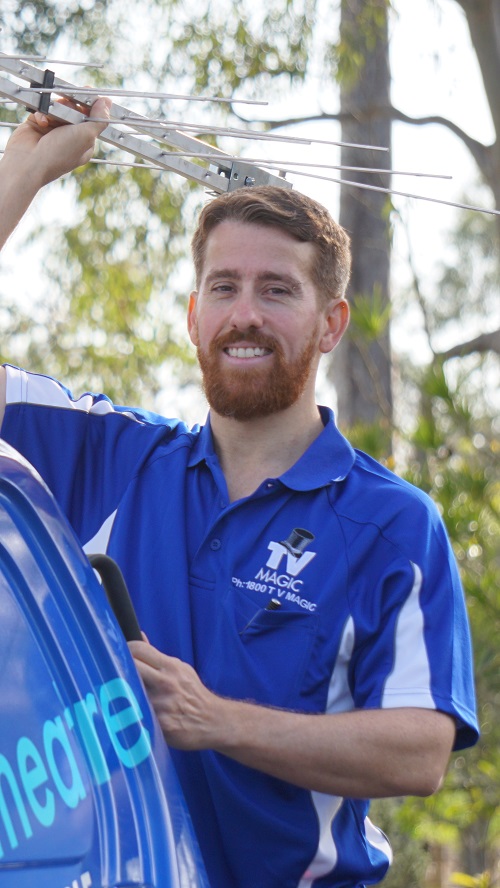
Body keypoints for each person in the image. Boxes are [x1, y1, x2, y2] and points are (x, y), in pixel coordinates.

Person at [0, 100, 478, 888]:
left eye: (276, 291)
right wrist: (28, 167)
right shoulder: (112, 455)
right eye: (223, 288)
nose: (244, 314)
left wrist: (214, 720)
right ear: (193, 317)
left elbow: (420, 749)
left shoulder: (392, 524)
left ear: (330, 323)